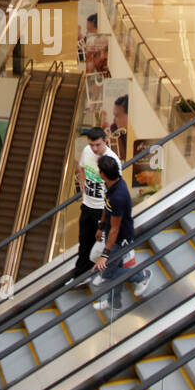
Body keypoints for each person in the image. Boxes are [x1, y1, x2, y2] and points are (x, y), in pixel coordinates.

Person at [91, 155, 151, 314]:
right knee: (112, 269)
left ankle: (141, 276)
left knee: (109, 272)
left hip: (120, 238)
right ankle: (114, 302)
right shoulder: (110, 185)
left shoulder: (119, 195)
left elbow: (115, 229)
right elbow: (106, 206)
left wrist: (105, 254)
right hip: (111, 234)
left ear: (103, 173)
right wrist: (101, 225)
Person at [73, 127, 114, 281]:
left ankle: (101, 274)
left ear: (105, 141)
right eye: (92, 145)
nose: (94, 148)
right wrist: (83, 183)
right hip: (87, 205)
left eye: (98, 145)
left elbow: (115, 187)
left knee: (100, 245)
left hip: (101, 210)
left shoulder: (111, 159)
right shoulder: (86, 151)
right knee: (84, 241)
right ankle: (80, 275)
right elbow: (82, 168)